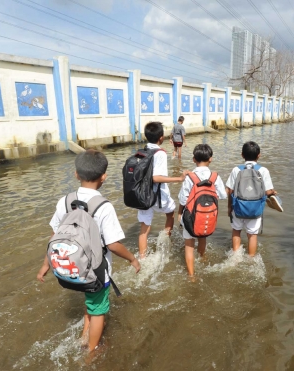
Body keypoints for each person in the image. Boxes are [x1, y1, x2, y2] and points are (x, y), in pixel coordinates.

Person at [36, 150, 140, 358]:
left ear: (76, 174)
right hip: (96, 271)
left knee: (90, 301)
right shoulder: (103, 206)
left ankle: (85, 336)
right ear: (104, 176)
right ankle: (91, 352)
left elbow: (55, 236)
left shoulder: (64, 201)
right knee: (99, 310)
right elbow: (113, 245)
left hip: (71, 266)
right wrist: (132, 259)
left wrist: (45, 265)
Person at [138, 122, 188, 258]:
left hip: (142, 194)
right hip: (157, 194)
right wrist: (179, 179)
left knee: (144, 229)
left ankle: (142, 258)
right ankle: (164, 243)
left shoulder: (141, 151)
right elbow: (156, 178)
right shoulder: (160, 153)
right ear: (161, 138)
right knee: (170, 213)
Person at [178, 144, 227, 278]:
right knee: (202, 237)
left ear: (194, 159)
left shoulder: (190, 177)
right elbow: (223, 196)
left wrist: (179, 214)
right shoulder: (215, 176)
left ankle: (191, 275)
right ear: (210, 159)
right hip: (207, 216)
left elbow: (183, 199)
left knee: (189, 245)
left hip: (190, 216)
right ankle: (202, 258)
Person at [226, 141, 276, 257]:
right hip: (255, 208)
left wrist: (229, 207)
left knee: (236, 231)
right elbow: (268, 192)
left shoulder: (236, 170)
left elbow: (230, 191)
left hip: (237, 207)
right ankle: (251, 258)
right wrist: (273, 192)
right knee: (252, 235)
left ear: (242, 155)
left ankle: (236, 258)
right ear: (259, 155)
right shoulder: (263, 170)